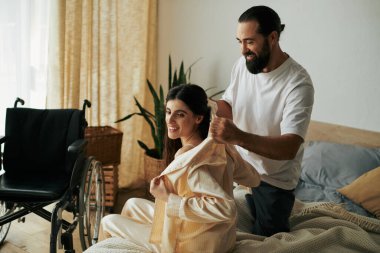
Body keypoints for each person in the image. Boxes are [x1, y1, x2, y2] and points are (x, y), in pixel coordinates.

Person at [100, 84, 260, 253]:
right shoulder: (219, 146)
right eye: (169, 112)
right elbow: (254, 179)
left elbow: (225, 208)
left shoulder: (190, 159)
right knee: (132, 204)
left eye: (180, 114)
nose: (170, 120)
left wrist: (169, 198)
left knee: (108, 221)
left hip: (195, 245)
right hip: (219, 237)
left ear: (198, 118)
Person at [210, 5, 314, 237]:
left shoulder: (298, 83)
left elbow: (289, 148)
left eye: (249, 41)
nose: (242, 50)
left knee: (265, 243)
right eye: (239, 41)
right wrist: (204, 104)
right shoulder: (243, 66)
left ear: (273, 37)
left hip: (274, 182)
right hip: (240, 170)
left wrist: (237, 136)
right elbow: (229, 106)